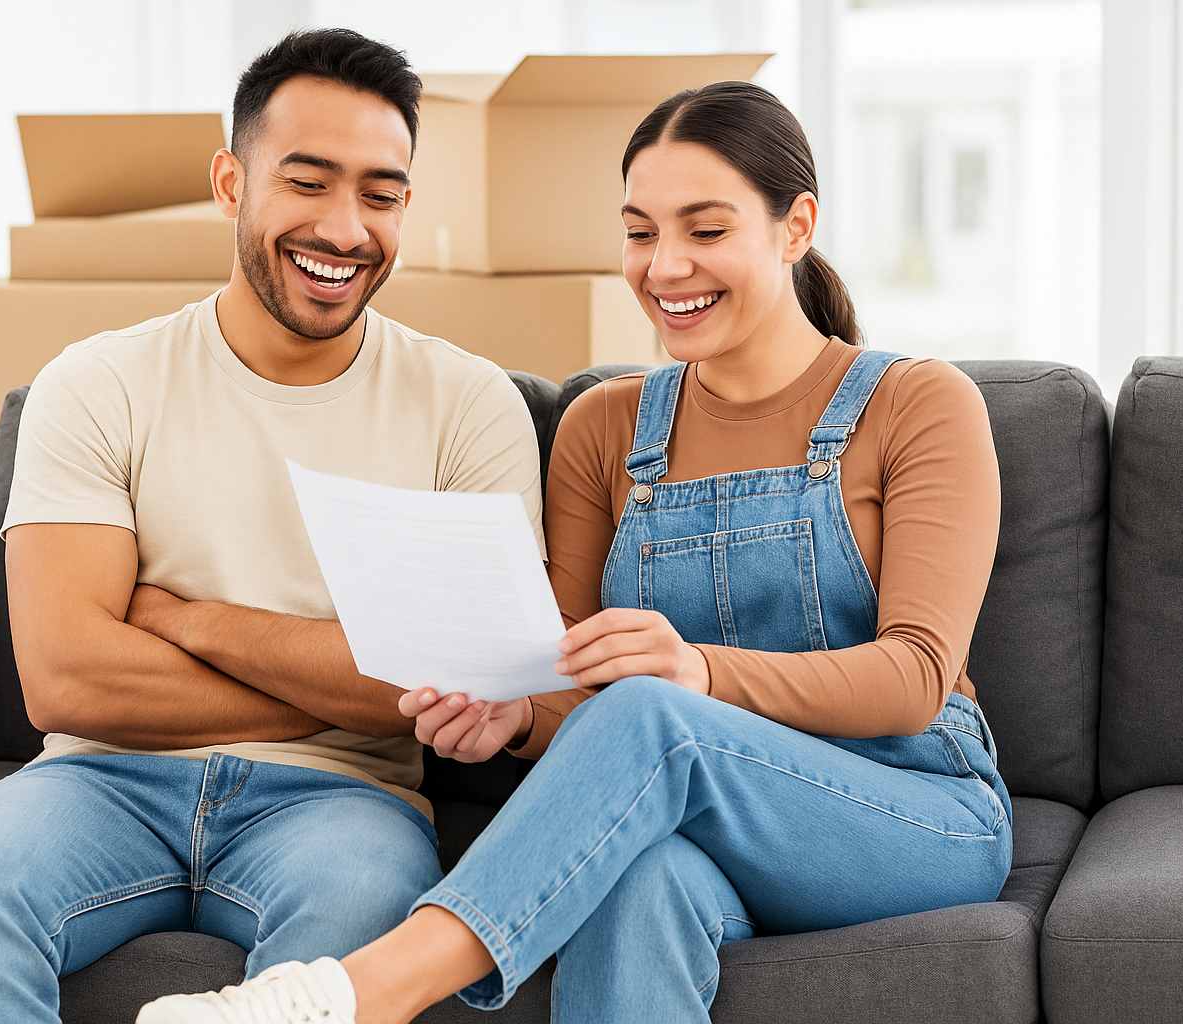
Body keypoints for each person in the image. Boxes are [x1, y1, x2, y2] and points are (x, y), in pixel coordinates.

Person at [138, 80, 1011, 1024]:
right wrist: (512, 720)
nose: (666, 266)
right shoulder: (605, 428)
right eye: (640, 233)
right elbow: (569, 696)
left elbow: (916, 676)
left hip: (910, 806)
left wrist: (693, 674)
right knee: (635, 884)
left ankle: (361, 993)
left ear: (795, 226)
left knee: (653, 711)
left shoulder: (918, 405)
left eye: (705, 231)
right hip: (691, 815)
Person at [0, 28, 545, 1024]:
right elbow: (67, 676)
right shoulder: (98, 383)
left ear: (406, 206)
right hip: (97, 783)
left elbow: (439, 685)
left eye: (379, 193)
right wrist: (343, 680)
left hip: (344, 806)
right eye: (308, 181)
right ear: (231, 181)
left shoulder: (472, 407)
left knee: (359, 929)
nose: (343, 227)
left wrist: (184, 619)